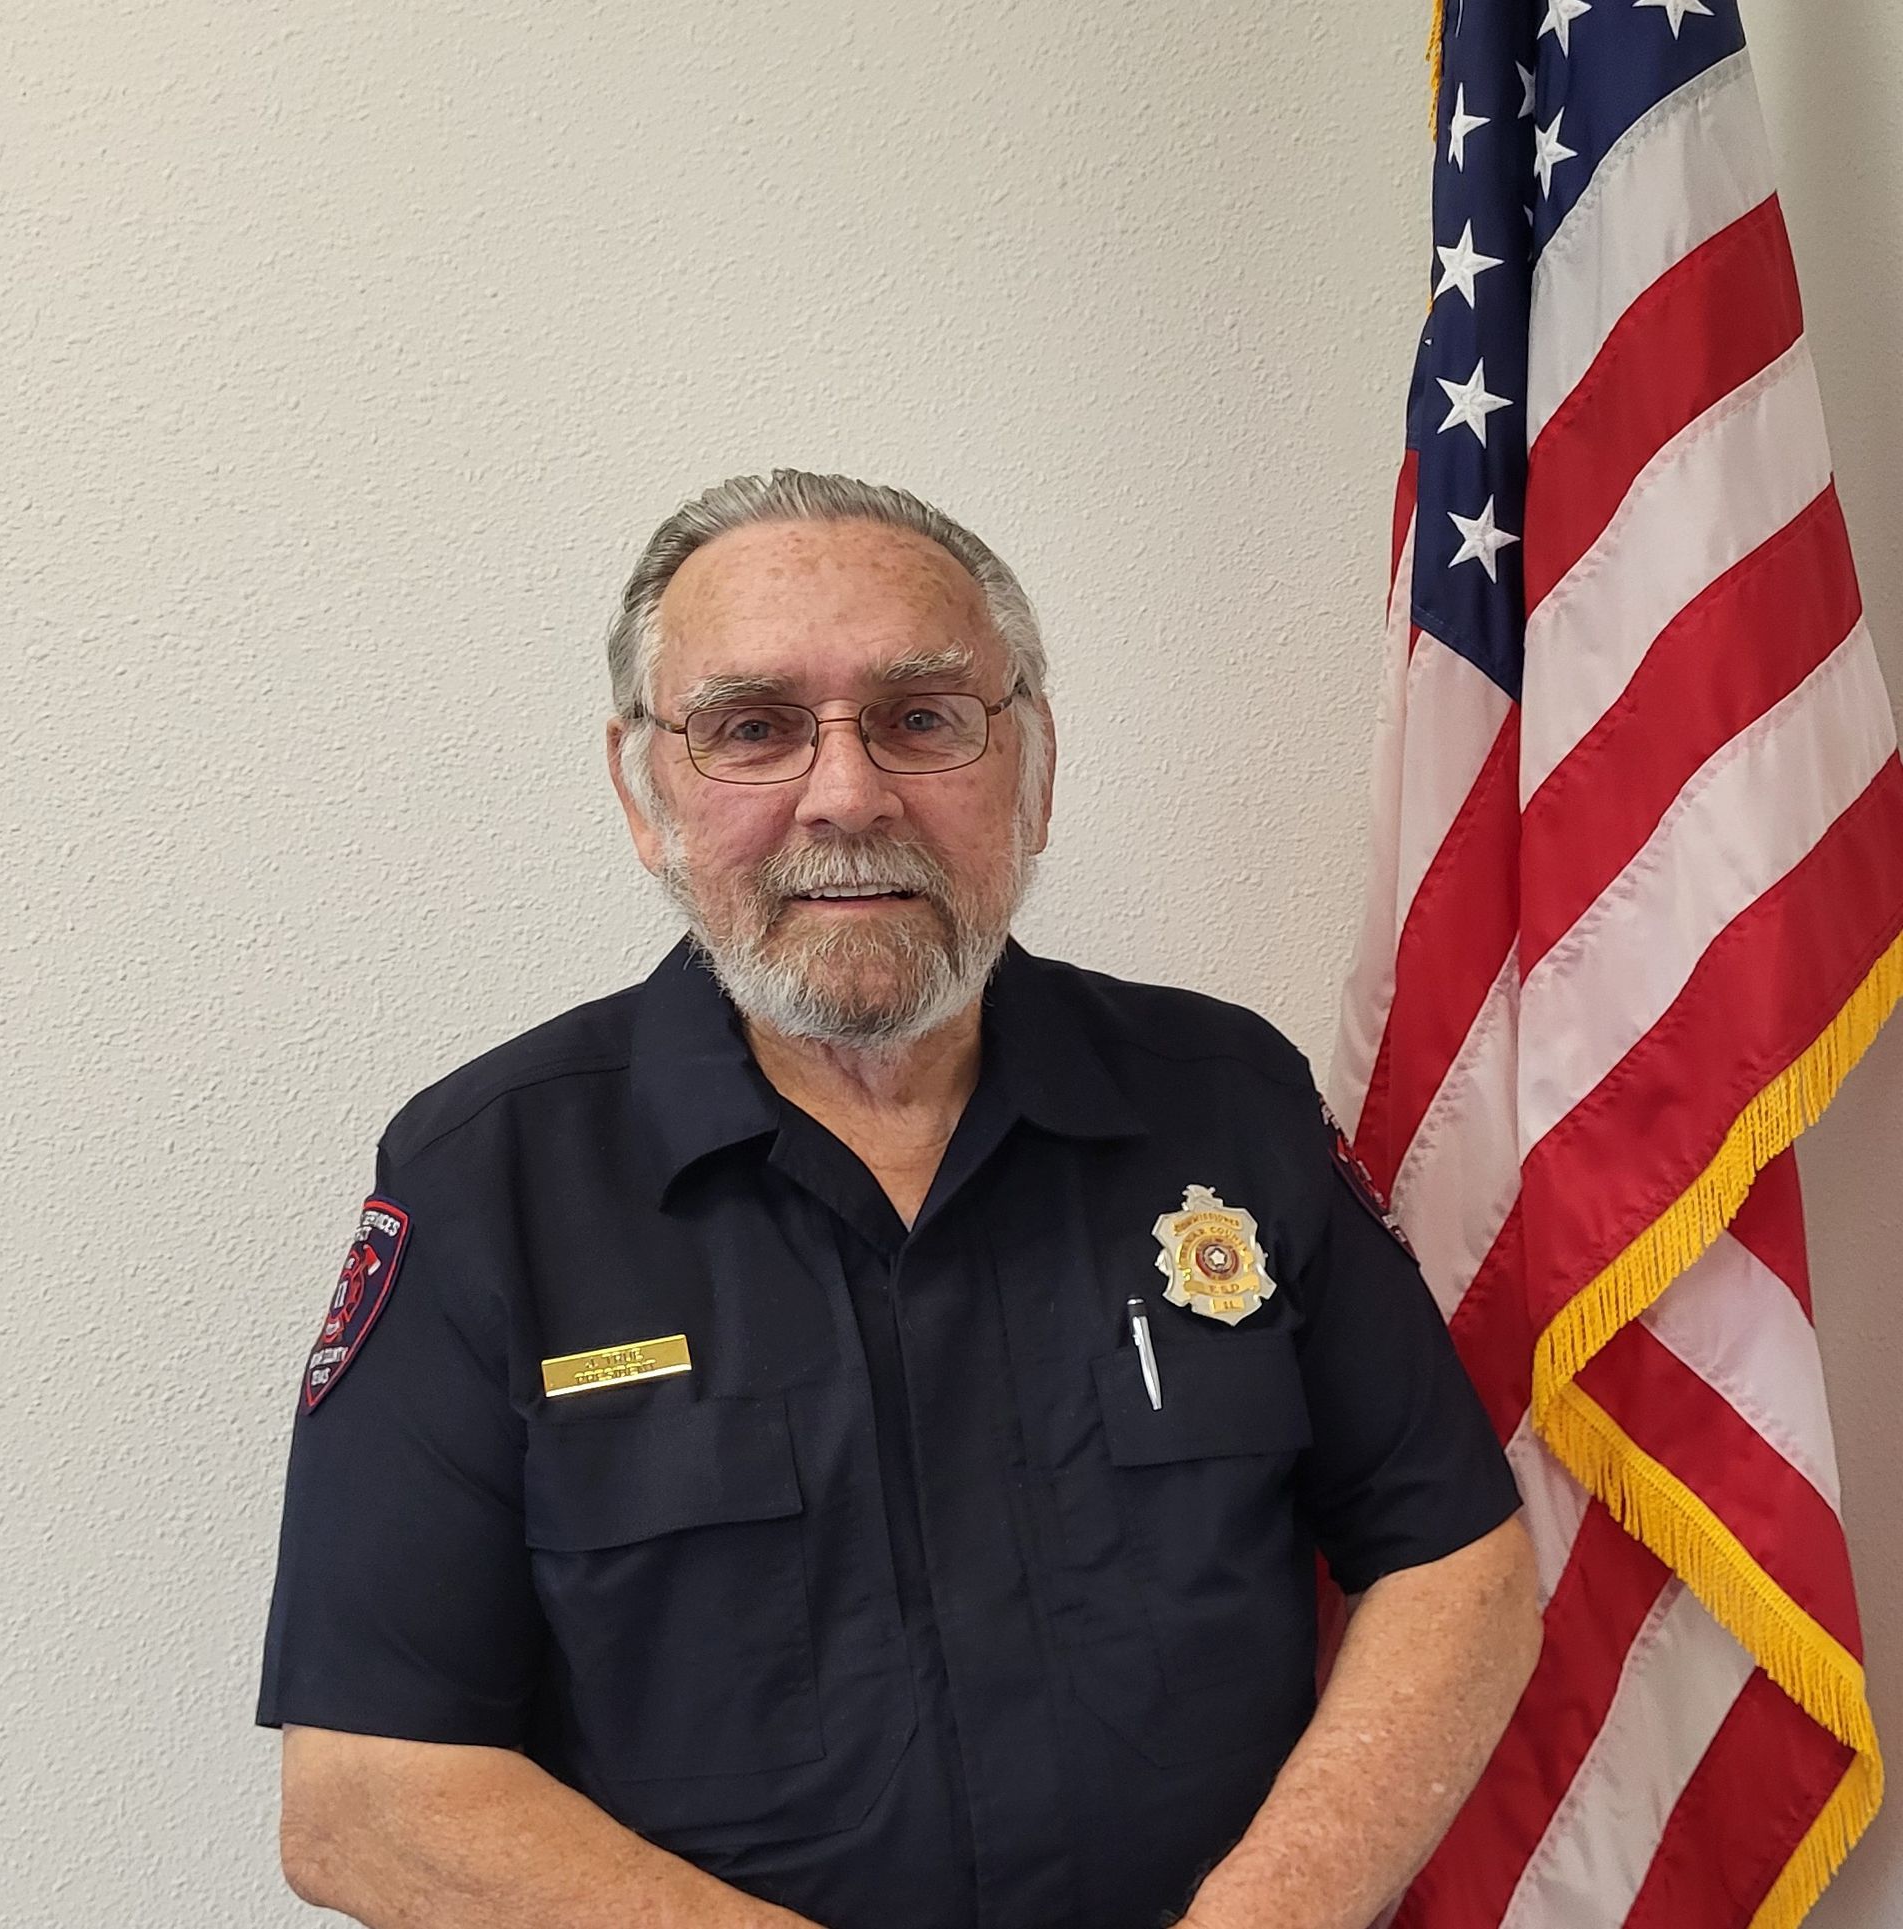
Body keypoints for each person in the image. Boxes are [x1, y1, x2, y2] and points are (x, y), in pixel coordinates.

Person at [259, 468, 1541, 1929]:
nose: (850, 792)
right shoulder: (490, 1181)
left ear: (1034, 766)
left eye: (923, 718)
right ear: (643, 791)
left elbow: (1457, 1564)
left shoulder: (1222, 1100)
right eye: (752, 728)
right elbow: (367, 1794)